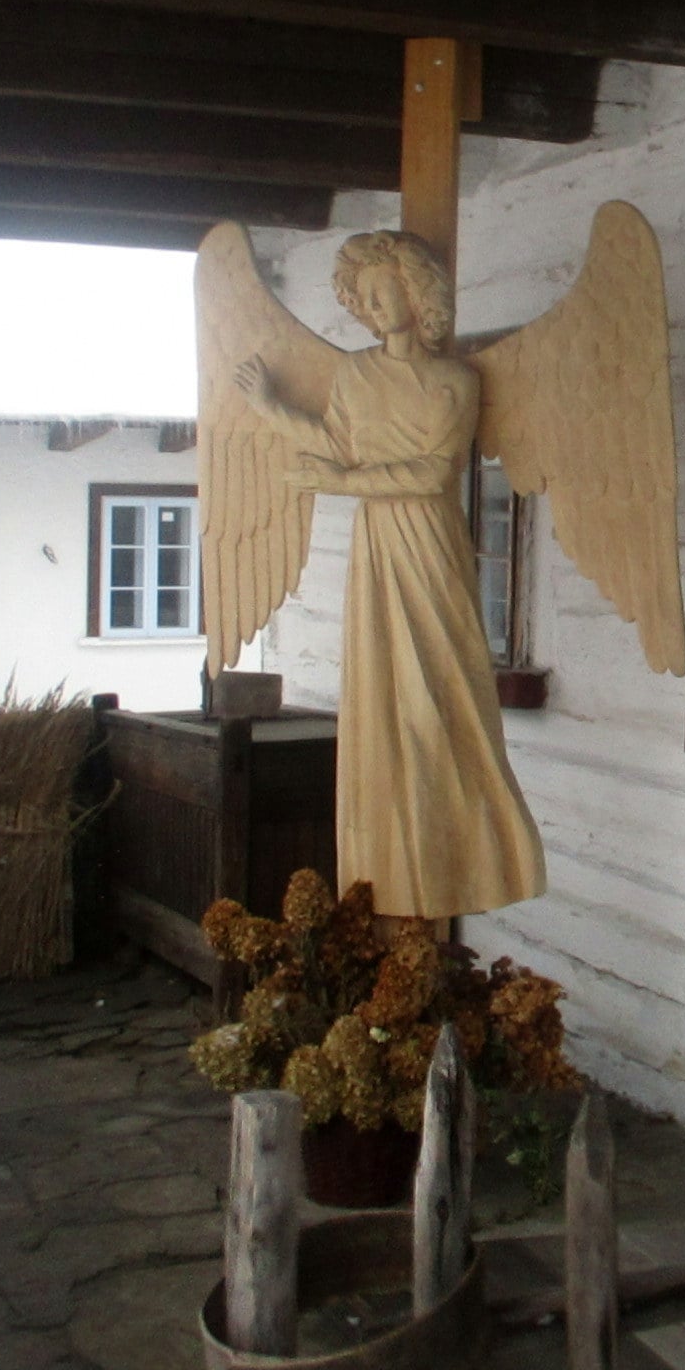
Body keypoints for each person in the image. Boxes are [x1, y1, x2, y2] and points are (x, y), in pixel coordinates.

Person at [234, 231, 547, 919]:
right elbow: (336, 443)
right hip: (377, 543)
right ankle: (396, 852)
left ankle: (481, 846)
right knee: (383, 688)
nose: (373, 309)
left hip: (429, 541)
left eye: (383, 294)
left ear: (415, 292)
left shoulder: (455, 381)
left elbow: (434, 474)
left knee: (445, 683)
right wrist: (270, 408)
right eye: (364, 299)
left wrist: (343, 483)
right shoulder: (355, 375)